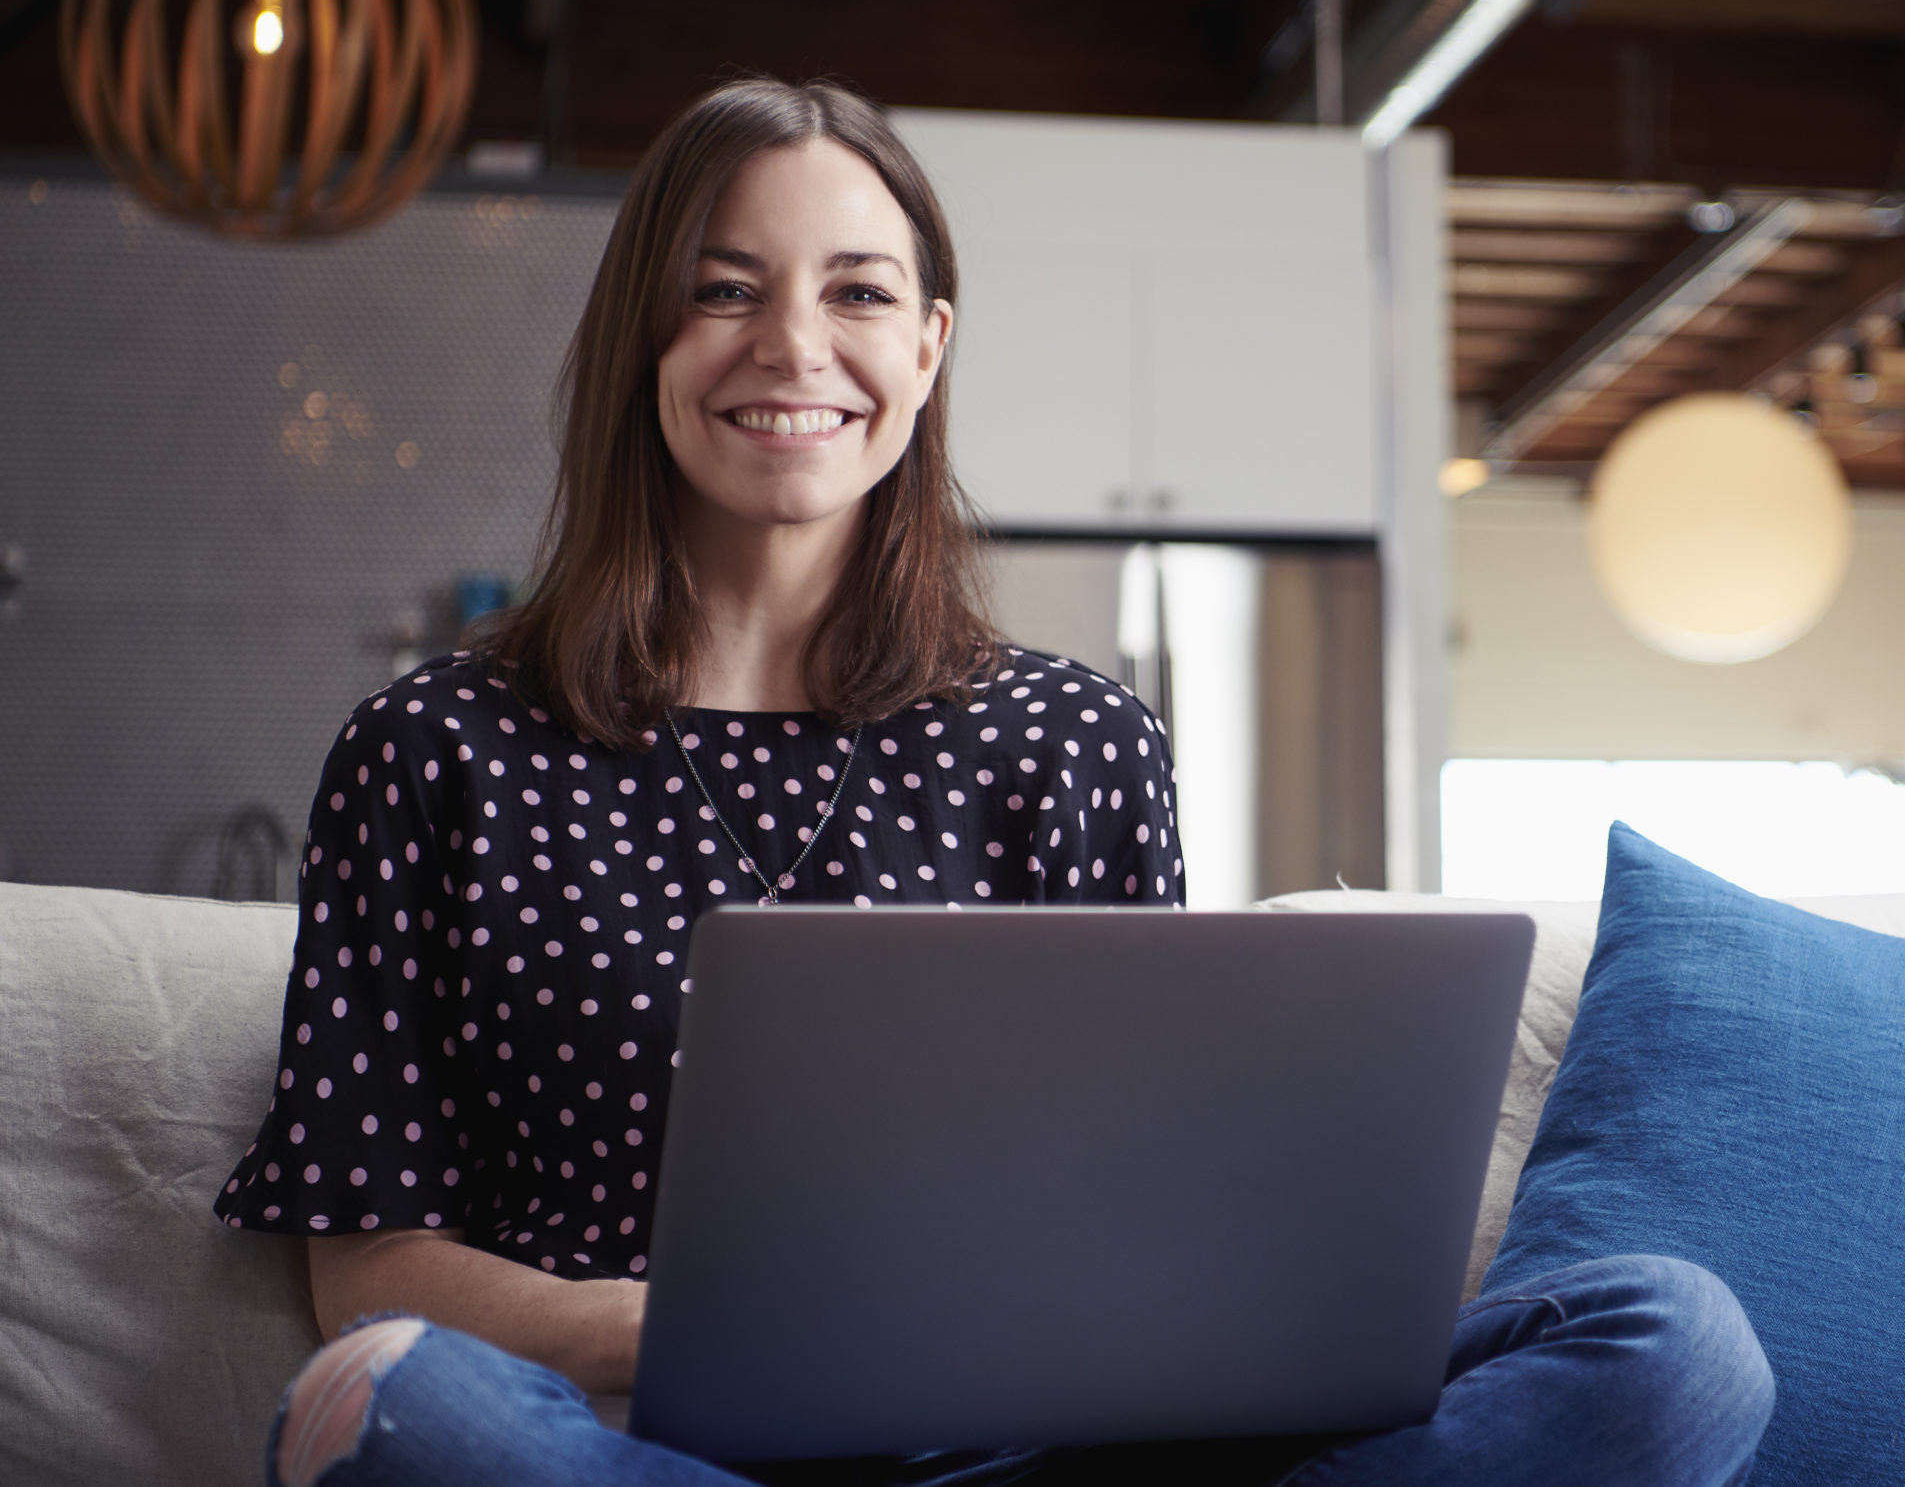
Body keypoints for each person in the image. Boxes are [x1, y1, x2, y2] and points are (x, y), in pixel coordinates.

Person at [220, 77, 1775, 1487]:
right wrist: (659, 1332)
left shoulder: (1076, 743)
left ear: (927, 347)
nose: (792, 348)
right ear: (641, 335)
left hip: (1044, 1452)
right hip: (653, 1442)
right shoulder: (436, 750)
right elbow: (366, 1274)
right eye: (724, 292)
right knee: (386, 1403)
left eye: (857, 294)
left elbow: (1152, 1196)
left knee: (1671, 1349)